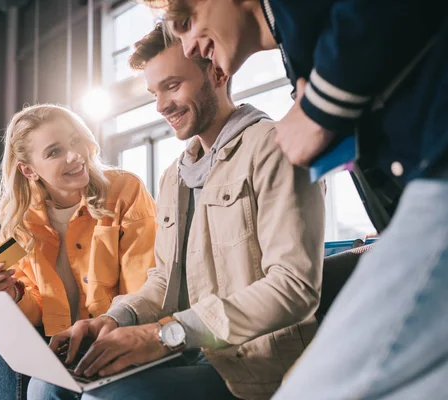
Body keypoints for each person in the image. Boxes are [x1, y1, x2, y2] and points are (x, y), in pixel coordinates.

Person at [141, 0, 448, 398]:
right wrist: (121, 321)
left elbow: (292, 288)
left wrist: (321, 109)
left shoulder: (270, 139)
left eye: (186, 21)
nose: (187, 46)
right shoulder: (174, 176)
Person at [41, 25, 325, 400]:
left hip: (254, 368)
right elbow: (164, 281)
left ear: (218, 74)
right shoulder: (174, 176)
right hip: (188, 351)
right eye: (155, 92)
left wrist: (165, 334)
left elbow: (293, 287)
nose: (161, 105)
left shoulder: (273, 149)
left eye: (173, 86)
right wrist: (112, 320)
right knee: (50, 385)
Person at [0, 104, 157, 400]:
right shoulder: (16, 219)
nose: (75, 155)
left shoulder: (125, 190)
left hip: (108, 332)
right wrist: (11, 296)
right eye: (54, 151)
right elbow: (34, 301)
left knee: (39, 386)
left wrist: (105, 326)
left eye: (75, 141)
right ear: (28, 170)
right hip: (54, 339)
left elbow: (143, 287)